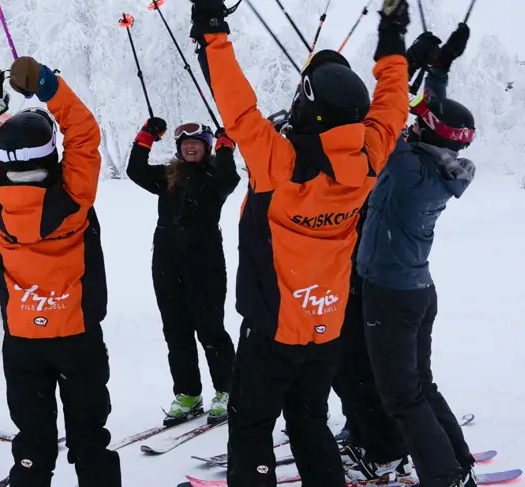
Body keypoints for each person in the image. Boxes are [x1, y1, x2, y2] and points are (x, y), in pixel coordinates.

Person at [188, 0, 412, 485]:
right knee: (309, 421)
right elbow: (394, 103)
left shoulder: (278, 162)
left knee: (251, 426)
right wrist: (393, 34)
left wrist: (211, 31)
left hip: (271, 330)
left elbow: (237, 105)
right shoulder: (370, 156)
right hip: (324, 327)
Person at [0, 56, 121, 487]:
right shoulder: (74, 196)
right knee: (90, 440)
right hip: (78, 338)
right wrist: (47, 86)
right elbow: (84, 134)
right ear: (51, 153)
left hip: (24, 341)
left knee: (32, 444)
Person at [351, 21, 478, 487]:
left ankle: (443, 477)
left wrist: (407, 67)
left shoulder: (406, 168)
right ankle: (458, 465)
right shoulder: (439, 168)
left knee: (401, 397)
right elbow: (427, 114)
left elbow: (379, 117)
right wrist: (438, 69)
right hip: (417, 291)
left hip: (390, 295)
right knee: (421, 386)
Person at [126, 117, 239, 426]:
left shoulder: (216, 177)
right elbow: (134, 170)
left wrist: (227, 147)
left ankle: (227, 390)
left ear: (206, 148)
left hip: (205, 263)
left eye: (197, 143)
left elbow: (231, 179)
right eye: (185, 143)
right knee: (176, 331)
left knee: (211, 329)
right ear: (178, 148)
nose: (190, 146)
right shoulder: (167, 177)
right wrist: (146, 136)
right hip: (166, 261)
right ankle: (188, 394)